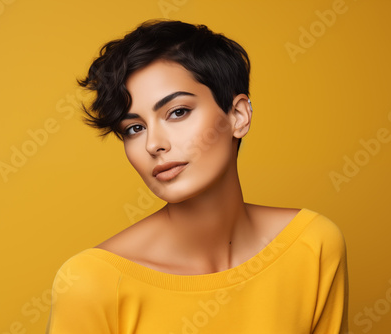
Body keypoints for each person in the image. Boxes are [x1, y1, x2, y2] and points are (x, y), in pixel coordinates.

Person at [46, 19, 349, 334]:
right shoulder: (92, 282)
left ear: (238, 116)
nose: (153, 144)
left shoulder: (312, 245)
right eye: (134, 128)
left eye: (177, 112)